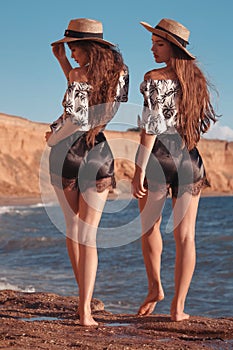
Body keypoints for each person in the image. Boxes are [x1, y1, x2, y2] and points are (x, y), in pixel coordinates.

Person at [132, 18, 219, 321]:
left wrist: (138, 168)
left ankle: (155, 288)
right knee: (187, 238)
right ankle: (178, 308)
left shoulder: (153, 77)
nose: (152, 48)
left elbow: (150, 128)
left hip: (159, 157)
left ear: (173, 47)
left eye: (159, 43)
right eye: (153, 42)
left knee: (149, 228)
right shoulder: (196, 81)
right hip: (190, 159)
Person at [45, 18, 129, 326]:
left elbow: (76, 117)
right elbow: (90, 103)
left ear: (87, 48)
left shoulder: (80, 73)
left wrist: (54, 135)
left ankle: (82, 304)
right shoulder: (120, 73)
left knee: (73, 230)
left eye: (74, 49)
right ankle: (86, 310)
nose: (73, 55)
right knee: (88, 236)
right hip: (100, 153)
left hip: (68, 153)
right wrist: (64, 62)